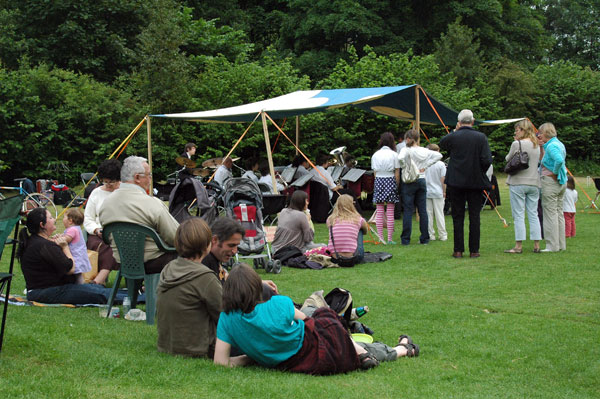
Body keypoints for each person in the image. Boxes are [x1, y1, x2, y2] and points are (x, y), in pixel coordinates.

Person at [213, 264, 419, 374]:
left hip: (289, 362)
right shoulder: (278, 304)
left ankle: (395, 349)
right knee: (325, 317)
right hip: (311, 349)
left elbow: (220, 362)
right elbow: (310, 323)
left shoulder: (226, 319)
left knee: (332, 329)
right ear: (258, 289)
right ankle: (401, 349)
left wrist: (251, 357)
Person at [100, 155, 178, 274]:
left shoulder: (105, 204)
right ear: (137, 177)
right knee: (200, 254)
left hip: (123, 262)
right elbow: (177, 237)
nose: (150, 179)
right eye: (149, 175)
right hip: (154, 263)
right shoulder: (152, 204)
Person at [156, 217, 222, 358]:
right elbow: (223, 314)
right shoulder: (205, 277)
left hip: (167, 345)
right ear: (207, 245)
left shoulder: (168, 268)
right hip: (198, 348)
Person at [17, 208, 112, 304]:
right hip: (47, 292)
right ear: (42, 225)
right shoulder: (44, 245)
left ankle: (125, 294)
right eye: (50, 218)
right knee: (101, 294)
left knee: (96, 289)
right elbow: (70, 268)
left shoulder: (35, 241)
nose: (54, 220)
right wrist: (65, 247)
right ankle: (127, 297)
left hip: (44, 290)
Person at [439, 109, 492, 258]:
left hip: (456, 182)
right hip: (475, 182)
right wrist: (479, 170)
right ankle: (474, 250)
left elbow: (442, 143)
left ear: (459, 122)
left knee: (458, 216)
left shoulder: (454, 137)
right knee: (475, 216)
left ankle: (458, 250)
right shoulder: (481, 137)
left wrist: (455, 130)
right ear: (473, 121)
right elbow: (487, 160)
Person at [202, 217, 279, 299]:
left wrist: (258, 282)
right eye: (231, 245)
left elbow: (225, 277)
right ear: (215, 240)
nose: (235, 251)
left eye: (237, 246)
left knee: (265, 289)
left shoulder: (215, 257)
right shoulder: (205, 263)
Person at [398, 130, 442, 245]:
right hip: (421, 179)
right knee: (422, 210)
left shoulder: (405, 150)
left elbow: (400, 159)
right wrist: (426, 166)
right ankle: (425, 238)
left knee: (408, 210)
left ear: (408, 139)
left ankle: (406, 239)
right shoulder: (424, 150)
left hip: (409, 180)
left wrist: (405, 167)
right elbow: (439, 155)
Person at [504, 120, 542, 254]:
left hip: (518, 181)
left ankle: (518, 246)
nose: (515, 132)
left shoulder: (517, 143)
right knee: (533, 214)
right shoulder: (536, 145)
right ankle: (536, 244)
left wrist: (515, 144)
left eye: (517, 130)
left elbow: (508, 158)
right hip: (534, 182)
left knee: (518, 214)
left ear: (523, 130)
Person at [83, 159, 121, 285]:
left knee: (116, 245)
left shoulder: (124, 193)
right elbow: (88, 219)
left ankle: (98, 281)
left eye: (112, 182)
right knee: (105, 246)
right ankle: (100, 280)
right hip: (99, 234)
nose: (108, 184)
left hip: (121, 233)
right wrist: (96, 230)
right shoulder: (96, 193)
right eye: (105, 181)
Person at [538, 122, 568, 252]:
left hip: (551, 182)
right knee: (558, 213)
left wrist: (554, 172)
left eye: (540, 133)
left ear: (545, 133)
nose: (538, 135)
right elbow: (544, 160)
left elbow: (559, 160)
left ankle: (552, 245)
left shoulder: (551, 146)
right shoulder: (557, 143)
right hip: (562, 182)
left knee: (550, 214)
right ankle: (561, 244)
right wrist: (541, 148)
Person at [371, 132, 400, 244]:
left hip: (379, 179)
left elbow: (374, 172)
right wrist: (396, 185)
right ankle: (389, 239)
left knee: (379, 210)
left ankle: (381, 238)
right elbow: (397, 172)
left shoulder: (375, 155)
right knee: (390, 211)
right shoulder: (394, 155)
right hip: (390, 179)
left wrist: (378, 182)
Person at [326, 194, 368, 262]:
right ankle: (352, 251)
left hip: (335, 256)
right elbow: (365, 231)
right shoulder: (358, 219)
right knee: (360, 230)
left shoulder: (330, 219)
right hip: (354, 257)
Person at [59, 208, 92, 284]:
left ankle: (81, 287)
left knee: (78, 276)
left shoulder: (72, 230)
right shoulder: (76, 228)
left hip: (76, 257)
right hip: (78, 255)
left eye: (64, 217)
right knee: (78, 275)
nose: (63, 219)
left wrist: (58, 239)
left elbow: (66, 239)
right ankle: (80, 287)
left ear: (70, 220)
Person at [425, 144, 447, 241]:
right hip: (438, 192)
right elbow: (443, 180)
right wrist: (444, 191)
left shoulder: (424, 164)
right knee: (439, 214)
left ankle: (431, 234)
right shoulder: (441, 164)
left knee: (428, 214)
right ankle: (442, 235)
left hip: (427, 191)